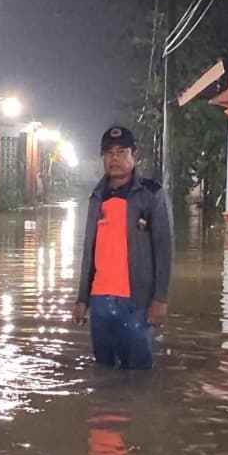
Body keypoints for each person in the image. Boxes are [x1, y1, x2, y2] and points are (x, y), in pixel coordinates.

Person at [72, 125, 173, 369]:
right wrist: (82, 298)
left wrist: (160, 299)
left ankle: (136, 408)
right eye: (108, 152)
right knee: (104, 372)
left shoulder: (152, 195)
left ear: (135, 157)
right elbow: (89, 251)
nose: (114, 158)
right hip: (99, 302)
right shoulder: (97, 196)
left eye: (121, 151)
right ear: (102, 158)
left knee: (139, 374)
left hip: (136, 303)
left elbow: (164, 249)